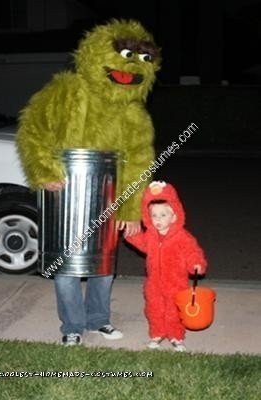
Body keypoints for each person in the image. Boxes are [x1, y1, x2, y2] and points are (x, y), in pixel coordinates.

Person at [16, 19, 161, 345]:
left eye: (143, 58)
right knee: (66, 266)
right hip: (65, 194)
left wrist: (130, 209)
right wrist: (44, 171)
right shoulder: (66, 91)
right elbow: (33, 130)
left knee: (104, 265)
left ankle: (99, 320)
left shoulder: (134, 113)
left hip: (107, 198)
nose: (131, 66)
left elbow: (138, 162)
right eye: (125, 54)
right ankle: (72, 327)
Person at [125, 181, 207, 351]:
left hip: (176, 283)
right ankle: (157, 333)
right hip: (154, 282)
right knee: (154, 308)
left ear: (174, 216)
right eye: (154, 216)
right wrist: (130, 234)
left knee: (174, 310)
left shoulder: (183, 237)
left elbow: (193, 252)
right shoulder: (151, 236)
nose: (158, 220)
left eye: (163, 215)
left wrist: (196, 264)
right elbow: (140, 241)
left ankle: (176, 336)